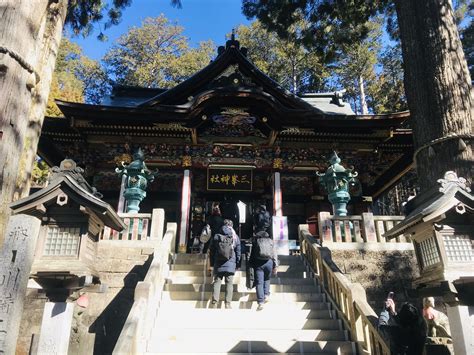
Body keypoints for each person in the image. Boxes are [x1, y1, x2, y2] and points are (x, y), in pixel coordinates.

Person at [209, 219, 241, 309]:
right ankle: (227, 304)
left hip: (218, 262)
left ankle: (214, 303)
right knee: (229, 283)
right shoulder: (235, 237)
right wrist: (237, 263)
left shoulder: (216, 236)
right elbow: (238, 251)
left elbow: (212, 251)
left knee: (217, 282)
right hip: (230, 263)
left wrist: (212, 263)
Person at [249, 230, 278, 311]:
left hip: (258, 263)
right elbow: (274, 254)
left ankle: (260, 302)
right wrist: (275, 266)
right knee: (267, 279)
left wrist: (251, 264)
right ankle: (266, 294)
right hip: (269, 262)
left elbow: (252, 254)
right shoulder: (271, 241)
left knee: (259, 282)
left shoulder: (256, 241)